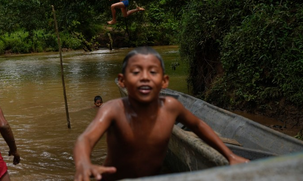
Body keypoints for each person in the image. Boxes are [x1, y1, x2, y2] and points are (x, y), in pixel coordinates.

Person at [73, 47, 249, 181]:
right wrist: (83, 163)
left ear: (164, 81)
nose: (144, 77)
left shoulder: (171, 107)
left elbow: (198, 125)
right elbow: (85, 139)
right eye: (136, 72)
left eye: (152, 72)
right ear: (122, 81)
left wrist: (230, 155)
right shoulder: (112, 109)